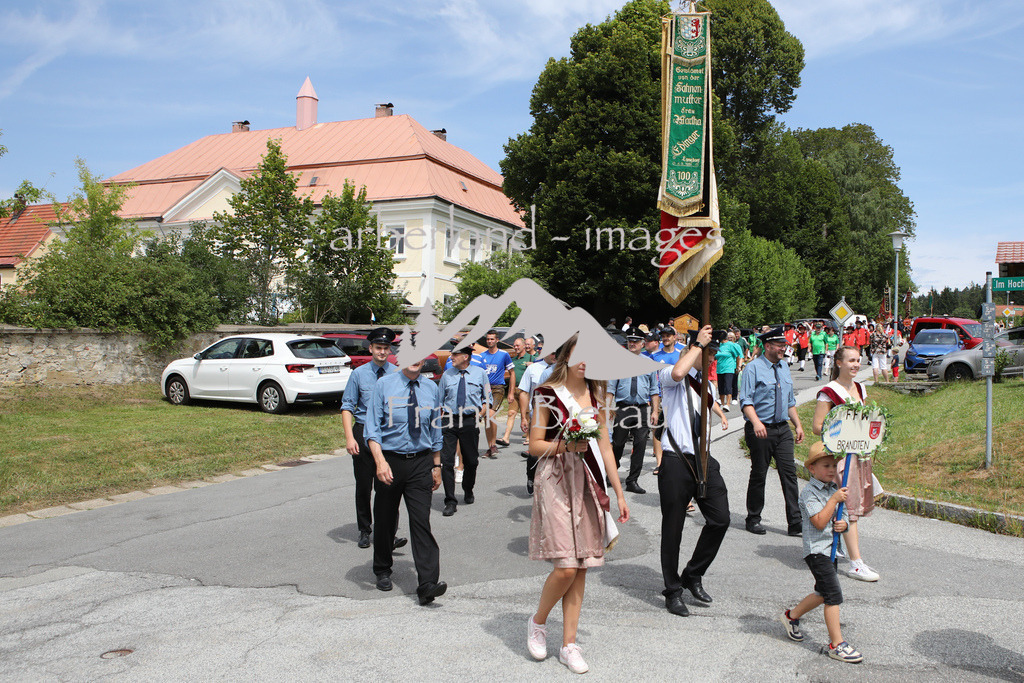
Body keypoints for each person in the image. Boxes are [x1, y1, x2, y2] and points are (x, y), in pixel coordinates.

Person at [526, 334, 629, 675]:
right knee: (566, 567)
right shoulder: (545, 394)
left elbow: (608, 449)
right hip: (555, 479)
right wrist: (565, 447)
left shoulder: (597, 396)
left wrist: (619, 492)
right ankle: (538, 622)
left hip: (587, 482)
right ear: (566, 356)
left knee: (582, 565)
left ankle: (569, 644)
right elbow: (534, 445)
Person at [656, 325, 731, 618]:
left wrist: (722, 414)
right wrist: (696, 345)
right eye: (708, 352)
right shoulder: (670, 374)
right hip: (676, 459)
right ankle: (672, 590)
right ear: (692, 349)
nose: (711, 357)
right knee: (673, 527)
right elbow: (677, 374)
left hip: (703, 459)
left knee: (720, 519)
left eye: (714, 352)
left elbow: (708, 407)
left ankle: (692, 573)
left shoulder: (707, 385)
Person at [364, 355, 447, 605]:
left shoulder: (431, 388)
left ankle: (427, 584)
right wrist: (380, 462)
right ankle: (382, 569)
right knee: (386, 518)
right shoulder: (384, 385)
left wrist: (437, 465)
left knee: (421, 521)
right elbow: (372, 429)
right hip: (390, 460)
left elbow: (435, 429)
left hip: (421, 462)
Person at [780, 442, 863, 663]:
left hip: (832, 550)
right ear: (812, 469)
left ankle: (791, 616)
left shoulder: (835, 490)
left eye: (834, 465)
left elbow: (843, 516)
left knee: (821, 592)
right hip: (817, 552)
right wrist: (834, 501)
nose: (830, 469)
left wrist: (843, 524)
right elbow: (818, 522)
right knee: (833, 595)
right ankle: (836, 644)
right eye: (825, 465)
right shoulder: (808, 493)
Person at [811, 346, 881, 582]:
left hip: (859, 454)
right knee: (850, 509)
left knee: (852, 506)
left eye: (858, 360)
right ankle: (856, 562)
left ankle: (836, 545)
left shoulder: (860, 388)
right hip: (841, 458)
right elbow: (817, 427)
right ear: (839, 363)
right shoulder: (829, 392)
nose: (856, 364)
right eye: (851, 360)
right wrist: (843, 431)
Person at [340, 327, 407, 551]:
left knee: (389, 486)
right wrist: (350, 438)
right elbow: (347, 407)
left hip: (388, 435)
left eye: (386, 348)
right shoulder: (358, 374)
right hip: (363, 432)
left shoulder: (397, 373)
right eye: (378, 348)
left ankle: (389, 532)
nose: (382, 352)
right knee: (364, 486)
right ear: (370, 349)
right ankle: (365, 529)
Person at [738, 326, 805, 536]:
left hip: (782, 429)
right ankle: (753, 518)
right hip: (761, 429)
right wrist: (756, 422)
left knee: (789, 474)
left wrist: (798, 424)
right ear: (767, 346)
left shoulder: (784, 367)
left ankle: (795, 522)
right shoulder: (753, 368)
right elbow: (746, 400)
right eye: (779, 345)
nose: (783, 349)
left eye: (784, 345)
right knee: (759, 473)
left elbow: (790, 401)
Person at [438, 345, 491, 517]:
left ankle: (468, 488)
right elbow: (439, 400)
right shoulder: (447, 375)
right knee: (446, 461)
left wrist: (480, 414)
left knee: (471, 460)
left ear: (466, 357)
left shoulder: (480, 373)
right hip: (450, 419)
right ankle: (450, 501)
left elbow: (487, 398)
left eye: (455, 354)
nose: (451, 357)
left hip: (470, 420)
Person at [606, 327, 660, 494]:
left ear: (643, 344)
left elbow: (654, 389)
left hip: (642, 409)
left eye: (636, 341)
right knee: (618, 443)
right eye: (630, 340)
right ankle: (611, 473)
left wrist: (655, 411)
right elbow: (610, 388)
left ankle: (632, 480)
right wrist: (607, 408)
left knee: (640, 445)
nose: (632, 344)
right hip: (623, 408)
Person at [518, 348, 557, 494]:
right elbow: (524, 392)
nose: (555, 356)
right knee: (535, 451)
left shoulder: (562, 370)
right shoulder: (533, 369)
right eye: (552, 352)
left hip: (557, 418)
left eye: (557, 353)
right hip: (538, 415)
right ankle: (531, 475)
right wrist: (524, 416)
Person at [481, 330, 514, 458]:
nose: (489, 341)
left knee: (489, 414)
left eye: (492, 339)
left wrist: (510, 392)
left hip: (497, 389)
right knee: (487, 417)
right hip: (484, 389)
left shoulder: (504, 355)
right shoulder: (482, 356)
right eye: (488, 339)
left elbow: (512, 373)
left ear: (497, 340)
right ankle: (491, 446)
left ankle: (493, 445)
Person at [499, 337, 534, 447]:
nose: (515, 347)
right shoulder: (513, 360)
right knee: (511, 413)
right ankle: (506, 437)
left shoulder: (531, 358)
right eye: (514, 345)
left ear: (524, 346)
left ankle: (529, 437)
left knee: (527, 415)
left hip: (526, 392)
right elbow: (511, 376)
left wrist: (532, 365)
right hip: (514, 390)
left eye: (518, 345)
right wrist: (510, 392)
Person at [714, 330, 742, 411]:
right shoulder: (719, 345)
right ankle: (722, 403)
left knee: (728, 386)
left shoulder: (730, 345)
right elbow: (715, 356)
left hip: (729, 368)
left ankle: (728, 404)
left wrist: (737, 366)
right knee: (721, 387)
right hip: (720, 368)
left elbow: (737, 355)